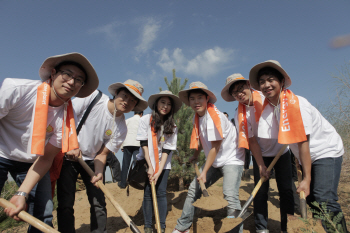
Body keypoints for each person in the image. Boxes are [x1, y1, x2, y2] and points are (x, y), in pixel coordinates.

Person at [1, 53, 98, 232]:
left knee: (43, 215)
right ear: (53, 73)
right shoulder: (16, 89)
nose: (71, 82)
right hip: (1, 153)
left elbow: (46, 158)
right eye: (67, 74)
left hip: (33, 162)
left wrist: (22, 193)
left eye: (79, 80)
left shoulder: (68, 121)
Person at [249, 60, 348, 233]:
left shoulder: (296, 104)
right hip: (307, 155)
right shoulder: (274, 109)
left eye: (271, 79)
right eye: (262, 81)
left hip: (326, 150)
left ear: (282, 82)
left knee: (324, 198)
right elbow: (288, 141)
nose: (266, 85)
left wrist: (306, 179)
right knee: (312, 201)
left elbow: (303, 142)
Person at [56, 80, 148, 233]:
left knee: (98, 201)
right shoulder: (92, 98)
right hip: (69, 157)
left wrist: (99, 173)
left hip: (93, 160)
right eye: (124, 96)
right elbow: (65, 116)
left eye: (132, 101)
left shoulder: (121, 127)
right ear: (116, 93)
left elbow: (103, 153)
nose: (127, 102)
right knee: (66, 202)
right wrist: (71, 144)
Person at [221, 73, 294, 232]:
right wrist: (260, 164)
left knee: (286, 191)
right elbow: (252, 140)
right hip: (261, 154)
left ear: (249, 85)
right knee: (260, 192)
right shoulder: (239, 113)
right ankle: (261, 228)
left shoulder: (265, 97)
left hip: (282, 151)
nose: (239, 94)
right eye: (235, 93)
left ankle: (287, 227)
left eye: (241, 89)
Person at [172, 82, 245, 233]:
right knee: (193, 189)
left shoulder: (214, 117)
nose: (196, 102)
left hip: (232, 158)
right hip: (216, 159)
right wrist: (195, 155)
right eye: (192, 99)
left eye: (200, 97)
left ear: (207, 99)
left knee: (230, 194)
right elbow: (201, 139)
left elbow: (215, 147)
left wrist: (204, 171)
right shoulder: (197, 118)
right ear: (189, 102)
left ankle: (234, 230)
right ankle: (183, 227)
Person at [136, 90, 181, 233]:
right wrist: (150, 167)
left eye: (168, 104)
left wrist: (159, 170)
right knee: (148, 192)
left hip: (163, 163)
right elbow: (143, 143)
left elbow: (168, 150)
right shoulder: (145, 120)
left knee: (161, 192)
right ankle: (148, 226)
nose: (165, 106)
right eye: (163, 102)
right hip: (147, 161)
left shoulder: (172, 125)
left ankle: (161, 225)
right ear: (156, 104)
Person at [118, 110, 144, 189]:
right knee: (137, 163)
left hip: (127, 144)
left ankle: (123, 183)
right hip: (137, 144)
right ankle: (135, 181)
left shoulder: (127, 121)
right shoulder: (142, 121)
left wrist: (121, 146)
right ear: (141, 114)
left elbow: (122, 133)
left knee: (125, 164)